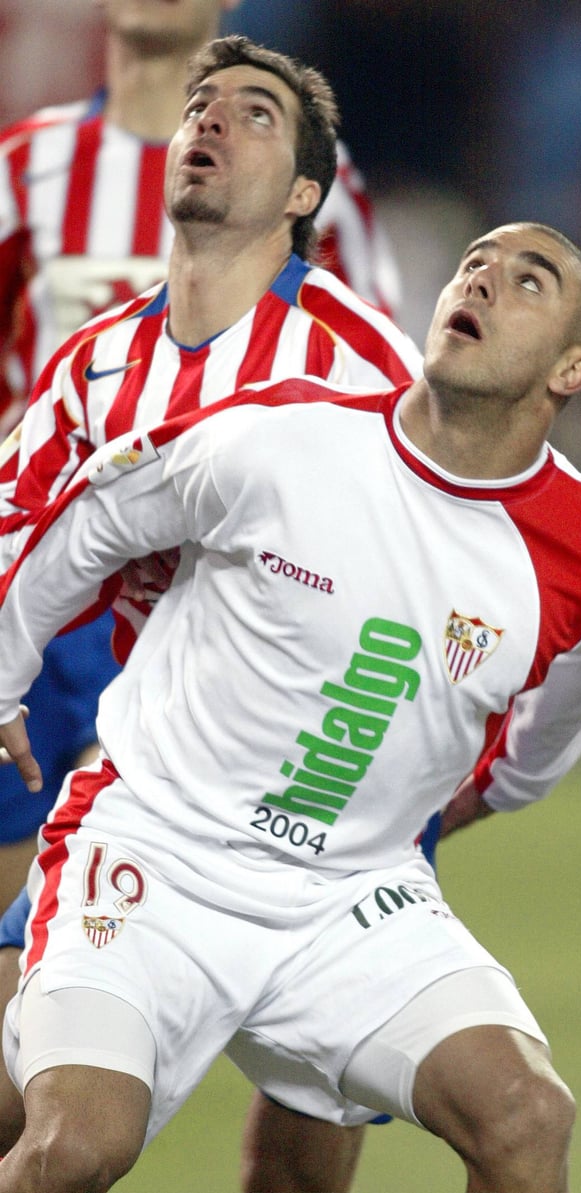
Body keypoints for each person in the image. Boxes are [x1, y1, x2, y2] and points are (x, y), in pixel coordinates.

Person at [0, 219, 581, 1192]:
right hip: (158, 854)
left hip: (348, 894)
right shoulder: (283, 437)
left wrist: (500, 786)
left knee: (527, 1114)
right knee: (72, 1149)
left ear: (574, 369)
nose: (482, 279)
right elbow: (89, 516)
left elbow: (570, 698)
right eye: (473, 262)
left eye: (530, 280)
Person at [0, 28, 420, 1189]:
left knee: (329, 1124)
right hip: (108, 717)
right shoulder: (94, 353)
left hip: (301, 764)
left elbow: (440, 539)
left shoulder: (363, 370)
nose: (213, 123)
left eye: (253, 112)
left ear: (303, 195)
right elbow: (18, 514)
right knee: (36, 1101)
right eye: (204, 107)